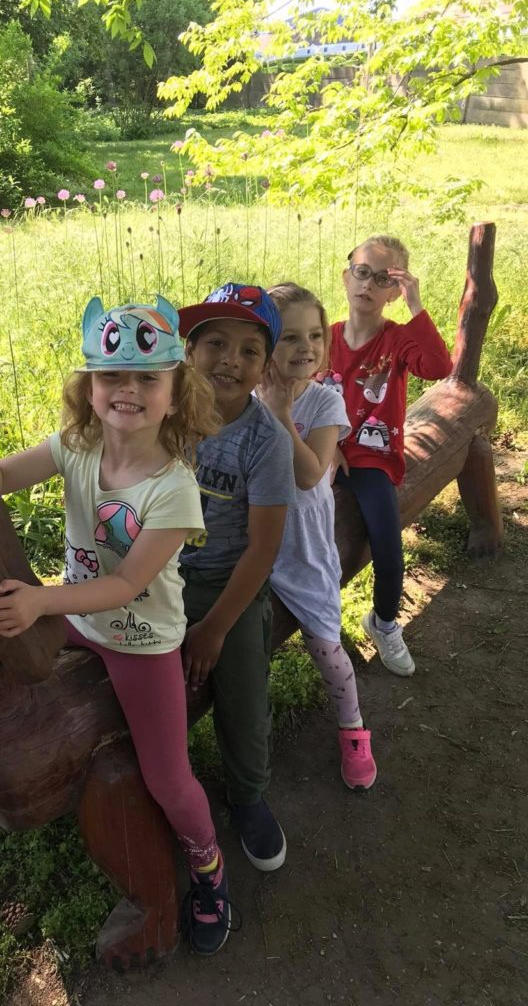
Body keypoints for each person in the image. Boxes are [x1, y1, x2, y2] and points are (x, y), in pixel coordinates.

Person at [0, 295, 235, 956]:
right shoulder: (77, 446)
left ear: (175, 395)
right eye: (111, 376)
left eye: (147, 379)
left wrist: (42, 602)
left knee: (166, 778)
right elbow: (4, 475)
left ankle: (208, 866)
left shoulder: (173, 489)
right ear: (89, 388)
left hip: (140, 640)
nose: (128, 391)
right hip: (75, 614)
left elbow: (126, 586)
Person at [176, 283, 296, 872]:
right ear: (189, 350)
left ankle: (248, 793)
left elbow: (263, 547)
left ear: (265, 367)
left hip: (230, 583)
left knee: (243, 695)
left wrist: (215, 628)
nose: (230, 359)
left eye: (249, 350)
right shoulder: (165, 413)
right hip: (156, 572)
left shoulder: (265, 441)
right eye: (216, 343)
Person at [257, 283, 377, 790]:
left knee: (326, 648)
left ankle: (353, 728)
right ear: (264, 345)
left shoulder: (325, 402)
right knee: (247, 648)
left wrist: (281, 416)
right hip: (252, 546)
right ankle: (251, 732)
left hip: (303, 549)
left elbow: (309, 475)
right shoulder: (243, 398)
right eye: (289, 337)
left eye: (315, 335)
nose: (306, 347)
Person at [324, 235, 452, 676]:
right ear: (346, 277)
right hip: (321, 451)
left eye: (384, 278)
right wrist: (327, 448)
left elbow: (437, 367)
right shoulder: (324, 338)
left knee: (386, 542)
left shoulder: (397, 341)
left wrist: (417, 305)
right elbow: (302, 394)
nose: (368, 284)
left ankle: (383, 622)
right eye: (362, 272)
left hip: (372, 459)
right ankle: (315, 619)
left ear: (395, 291)